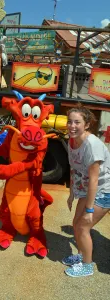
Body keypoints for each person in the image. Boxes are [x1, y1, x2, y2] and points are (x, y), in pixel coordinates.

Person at [62, 104, 110, 277]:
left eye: (77, 122)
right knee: (76, 223)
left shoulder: (92, 145)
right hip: (86, 189)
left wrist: (89, 210)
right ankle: (81, 255)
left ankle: (87, 266)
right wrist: (71, 193)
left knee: (83, 227)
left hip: (104, 190)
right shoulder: (72, 140)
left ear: (87, 124)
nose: (72, 126)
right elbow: (74, 168)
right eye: (69, 122)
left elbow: (94, 179)